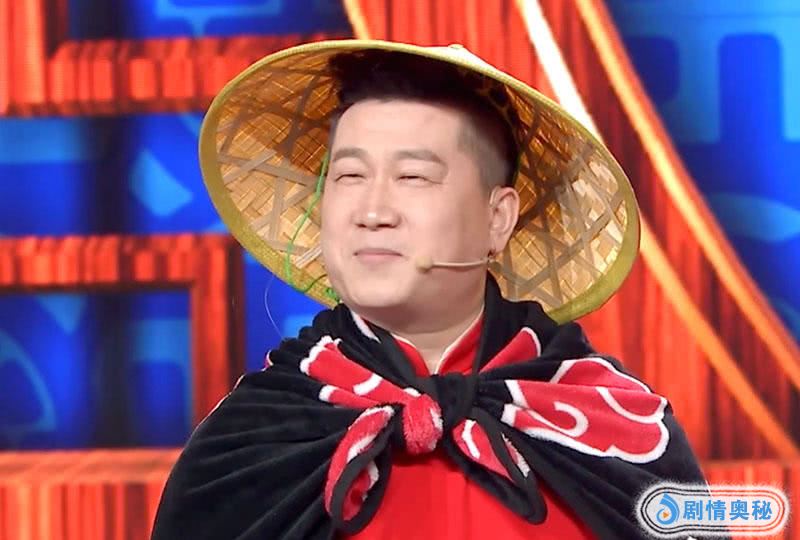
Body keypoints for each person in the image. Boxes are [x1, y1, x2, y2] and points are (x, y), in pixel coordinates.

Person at [150, 40, 708, 539]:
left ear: (497, 219)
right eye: (349, 176)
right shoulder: (251, 440)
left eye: (413, 177)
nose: (372, 211)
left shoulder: (618, 426)